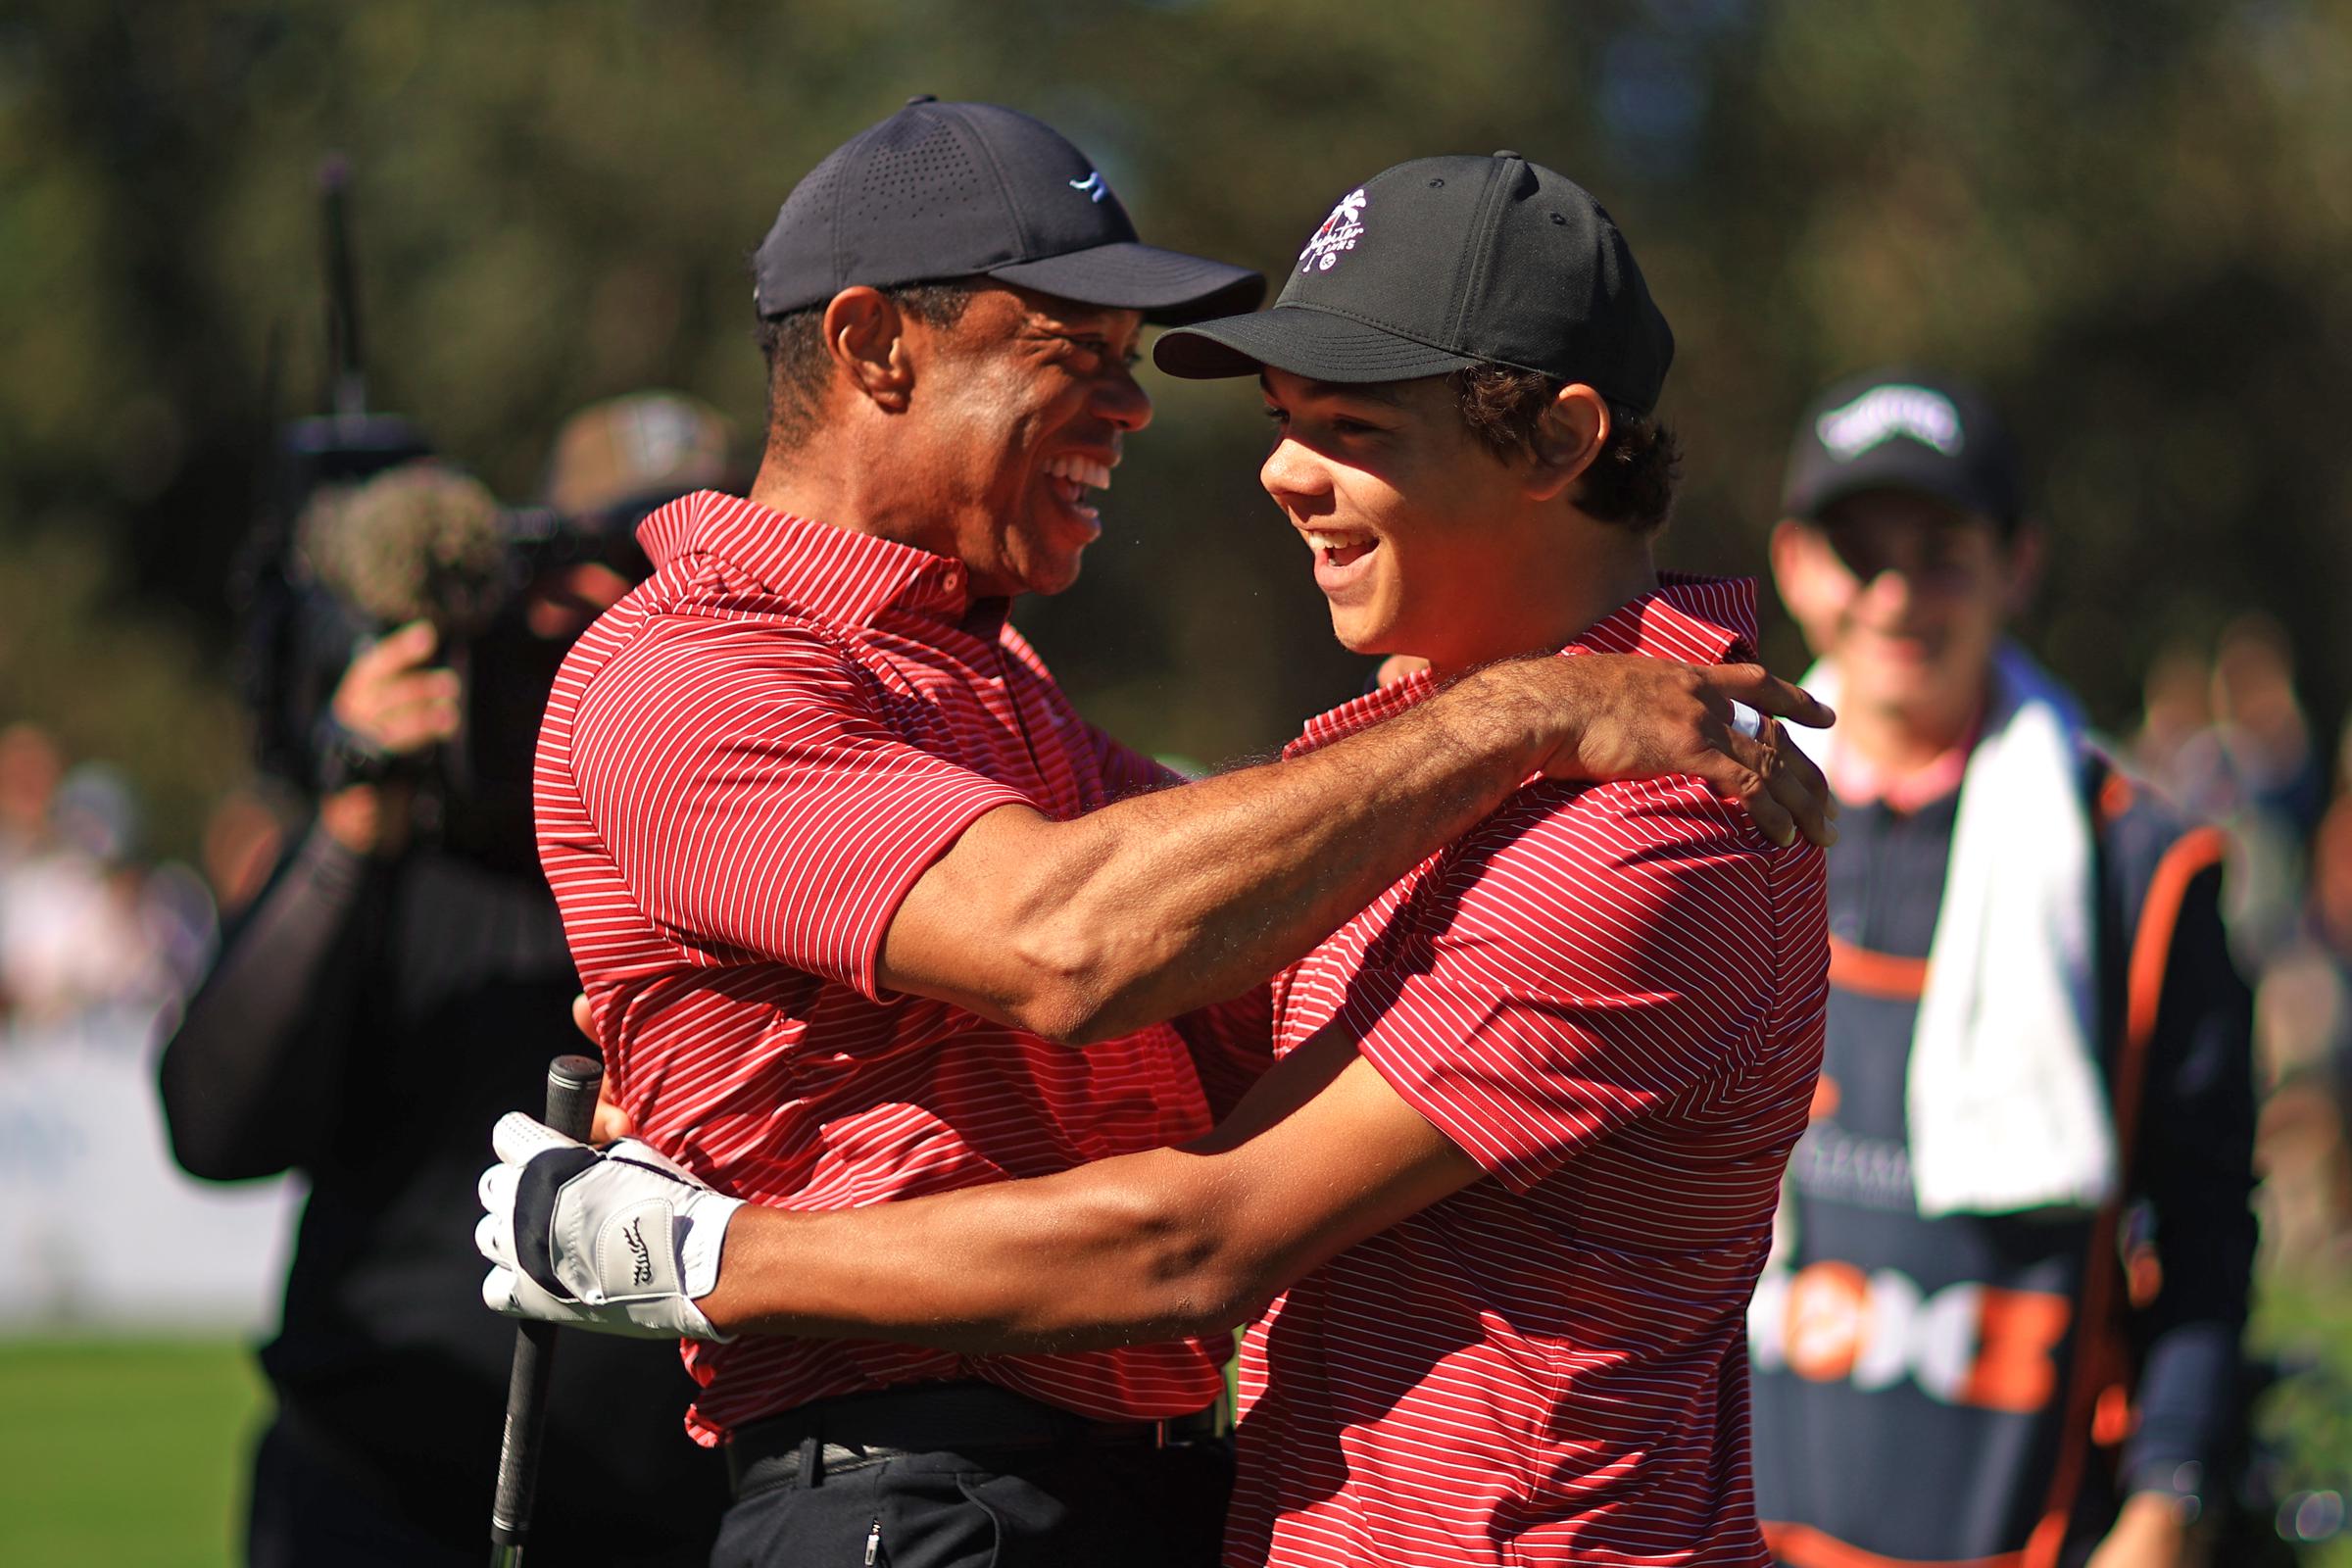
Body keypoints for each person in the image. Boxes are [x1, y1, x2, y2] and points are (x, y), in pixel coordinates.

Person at [483, 148, 1832, 1567]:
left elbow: (1188, 1222)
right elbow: (1100, 943)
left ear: (1561, 444)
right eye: (1081, 352)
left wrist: (701, 1254)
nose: (1273, 469)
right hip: (926, 1492)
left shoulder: (1650, 809)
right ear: (871, 344)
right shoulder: (708, 670)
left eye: (1353, 427)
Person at [158, 452, 732, 1566]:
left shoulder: (747, 864)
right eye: (551, 626)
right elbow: (216, 1129)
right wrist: (357, 804)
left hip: (673, 1514)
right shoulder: (406, 850)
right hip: (374, 1496)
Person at [1743, 371, 2258, 1567]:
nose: (1894, 594)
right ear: (1793, 563)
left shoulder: (2141, 865)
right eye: (1855, 549)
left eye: (1941, 551)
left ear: (2018, 563)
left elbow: (2204, 1225)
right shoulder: (1701, 823)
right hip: (1727, 1528)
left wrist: (2168, 1502)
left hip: (2028, 1528)